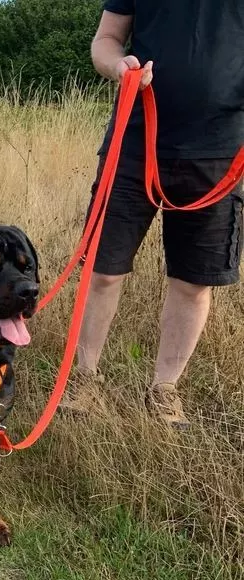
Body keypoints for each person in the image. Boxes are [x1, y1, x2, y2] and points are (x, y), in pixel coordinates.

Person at [61, 0, 244, 429]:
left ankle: (164, 390)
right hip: (134, 138)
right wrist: (116, 66)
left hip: (220, 152)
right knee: (102, 271)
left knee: (195, 282)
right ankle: (84, 379)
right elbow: (105, 40)